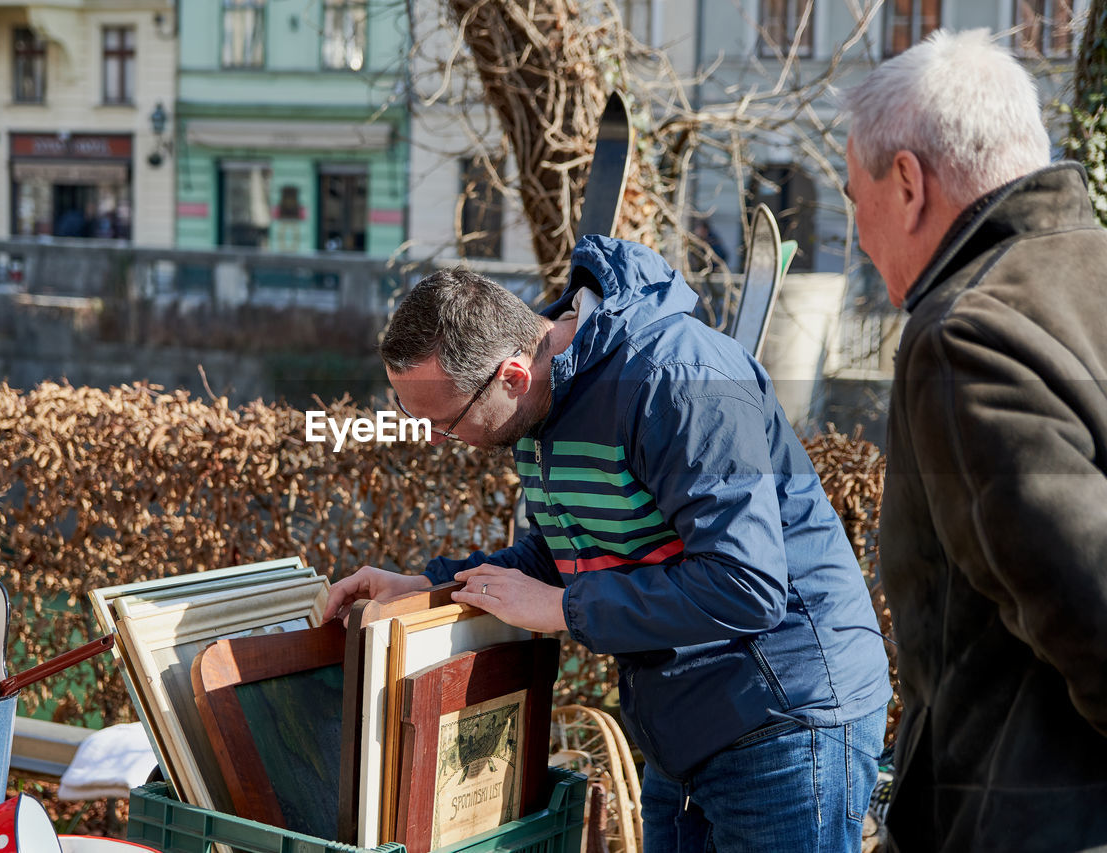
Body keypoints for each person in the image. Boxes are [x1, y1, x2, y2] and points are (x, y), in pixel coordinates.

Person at [325, 236, 892, 852]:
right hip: (682, 726)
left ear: (512, 375)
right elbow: (558, 560)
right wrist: (425, 590)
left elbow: (746, 586)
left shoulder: (679, 381)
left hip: (783, 714)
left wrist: (565, 611)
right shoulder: (541, 405)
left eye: (445, 421)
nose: (435, 440)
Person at [842, 29, 1107, 852]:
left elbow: (1092, 602)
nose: (857, 234)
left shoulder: (966, 331)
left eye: (856, 200)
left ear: (910, 184)